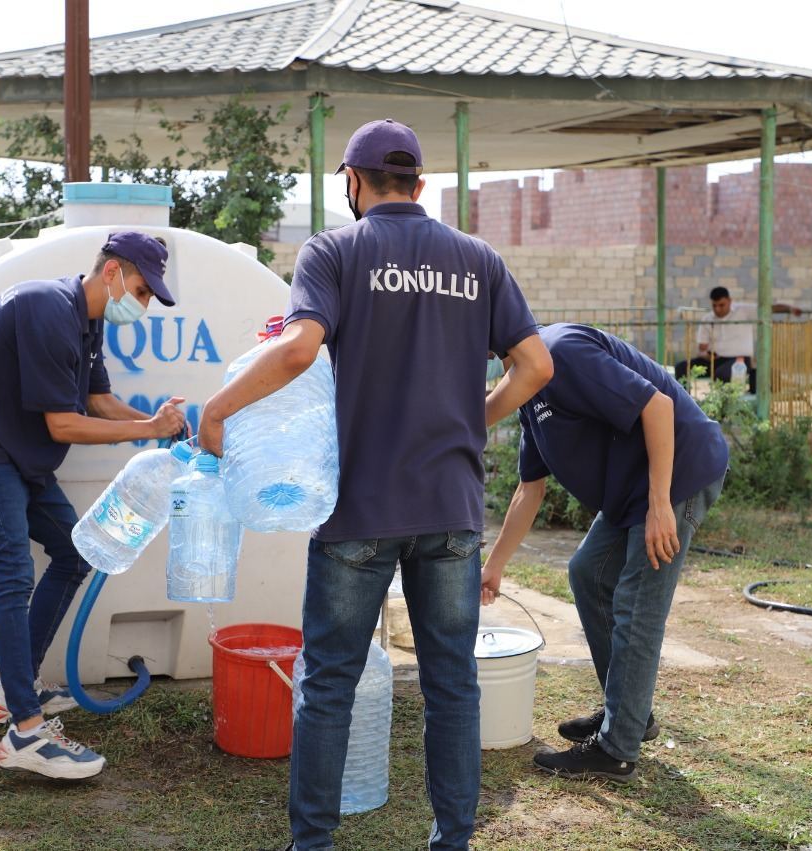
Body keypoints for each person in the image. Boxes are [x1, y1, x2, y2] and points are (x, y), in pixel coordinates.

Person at [198, 119, 553, 851]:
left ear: (353, 185)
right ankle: (453, 838)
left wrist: (219, 407)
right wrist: (474, 417)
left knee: (328, 683)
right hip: (450, 507)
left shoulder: (334, 250)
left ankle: (314, 842)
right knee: (451, 683)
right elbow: (537, 366)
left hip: (359, 508)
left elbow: (298, 348)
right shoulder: (478, 259)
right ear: (419, 186)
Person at [0, 232, 188, 780]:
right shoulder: (46, 307)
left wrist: (162, 428)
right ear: (113, 272)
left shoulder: (87, 322)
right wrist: (146, 429)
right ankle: (24, 730)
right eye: (142, 291)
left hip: (20, 457)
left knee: (74, 556)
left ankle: (10, 692)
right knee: (12, 572)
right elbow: (63, 424)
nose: (142, 305)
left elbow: (98, 401)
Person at [481, 323, 728, 783]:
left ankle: (617, 749)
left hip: (677, 473)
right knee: (588, 572)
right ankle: (632, 714)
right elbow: (528, 489)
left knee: (637, 602)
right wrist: (493, 567)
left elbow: (657, 407)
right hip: (631, 490)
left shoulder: (562, 352)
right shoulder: (529, 394)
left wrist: (660, 505)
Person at [674, 286, 802, 391]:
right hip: (715, 359)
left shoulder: (744, 311)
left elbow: (770, 308)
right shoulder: (708, 319)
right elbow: (702, 348)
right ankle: (684, 403)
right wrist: (705, 355)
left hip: (739, 360)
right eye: (714, 305)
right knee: (681, 367)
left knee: (722, 374)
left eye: (721, 305)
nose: (717, 309)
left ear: (729, 301)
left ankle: (724, 408)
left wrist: (790, 309)